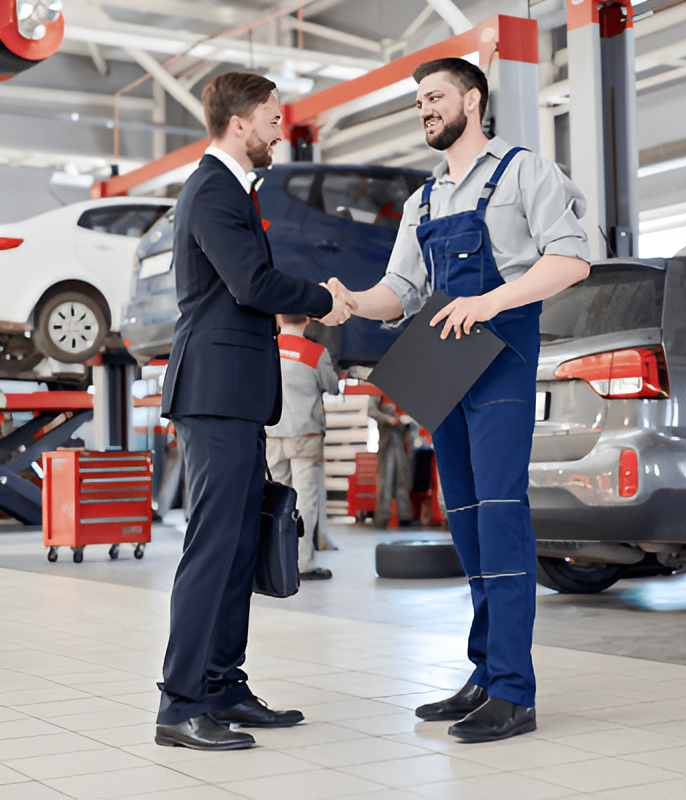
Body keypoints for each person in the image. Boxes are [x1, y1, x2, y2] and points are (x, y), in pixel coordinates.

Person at [328, 58, 590, 743]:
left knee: (501, 517)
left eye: (435, 97)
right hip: (443, 368)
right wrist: (355, 302)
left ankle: (514, 691)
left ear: (472, 101)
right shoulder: (422, 202)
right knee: (468, 523)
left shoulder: (525, 171)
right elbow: (401, 292)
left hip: (499, 358)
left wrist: (488, 302)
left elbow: (570, 259)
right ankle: (483, 674)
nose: (425, 109)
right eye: (418, 102)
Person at [156, 71, 355, 752]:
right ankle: (180, 705)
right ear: (239, 122)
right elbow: (252, 284)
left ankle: (223, 685)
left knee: (240, 543)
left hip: (237, 394)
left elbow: (243, 289)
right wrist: (324, 298)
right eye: (272, 117)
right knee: (212, 548)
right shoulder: (212, 189)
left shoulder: (234, 191)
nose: (280, 128)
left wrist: (305, 299)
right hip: (213, 393)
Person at [266, 313, 338, 580]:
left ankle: (276, 558)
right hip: (305, 437)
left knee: (275, 498)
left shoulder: (267, 346)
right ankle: (302, 563)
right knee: (304, 500)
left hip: (272, 435)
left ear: (277, 318)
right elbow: (332, 386)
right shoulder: (315, 352)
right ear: (308, 320)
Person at [367, 394, 413, 528]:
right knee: (385, 478)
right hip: (387, 438)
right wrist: (388, 419)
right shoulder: (378, 390)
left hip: (403, 438)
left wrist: (408, 419)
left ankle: (405, 516)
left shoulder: (404, 388)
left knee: (403, 479)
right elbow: (371, 411)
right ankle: (382, 517)